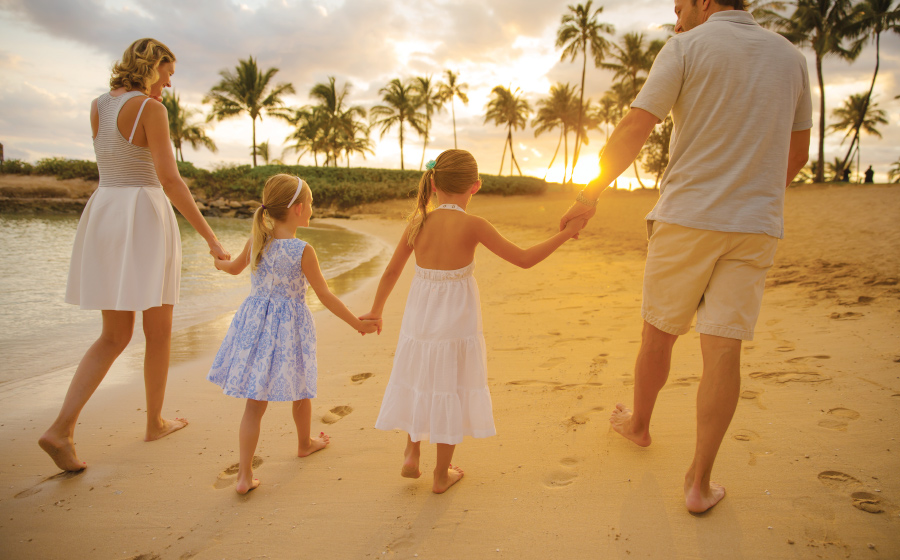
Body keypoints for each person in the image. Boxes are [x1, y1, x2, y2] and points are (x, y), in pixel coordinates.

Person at [560, 0, 812, 513]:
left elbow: (635, 127)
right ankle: (699, 483)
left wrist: (589, 195)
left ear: (703, 2)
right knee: (724, 349)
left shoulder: (686, 47)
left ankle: (639, 425)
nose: (676, 19)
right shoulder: (790, 57)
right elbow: (798, 153)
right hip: (755, 226)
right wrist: (757, 198)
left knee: (659, 332)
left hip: (687, 216)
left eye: (680, 7)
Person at [39, 38, 230, 472]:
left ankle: (61, 428)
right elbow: (170, 180)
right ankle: (155, 422)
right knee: (158, 330)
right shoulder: (151, 109)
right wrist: (211, 239)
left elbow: (116, 161)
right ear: (152, 66)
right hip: (142, 215)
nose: (169, 83)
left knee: (113, 334)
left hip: (105, 212)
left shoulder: (98, 106)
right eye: (168, 72)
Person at [363, 149, 586, 493]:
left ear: (433, 182)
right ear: (476, 186)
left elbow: (392, 271)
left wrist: (377, 310)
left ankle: (412, 452)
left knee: (422, 373)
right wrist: (565, 234)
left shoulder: (418, 221)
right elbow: (524, 259)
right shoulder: (474, 225)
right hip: (456, 320)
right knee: (449, 384)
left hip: (419, 317)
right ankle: (440, 475)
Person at [208, 174, 381, 494]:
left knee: (254, 405)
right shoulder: (303, 249)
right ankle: (304, 443)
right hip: (290, 330)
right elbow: (325, 296)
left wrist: (219, 262)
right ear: (299, 209)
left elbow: (232, 269)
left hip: (255, 326)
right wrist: (356, 324)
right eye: (312, 204)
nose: (314, 209)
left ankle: (244, 476)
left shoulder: (260, 238)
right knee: (302, 385)